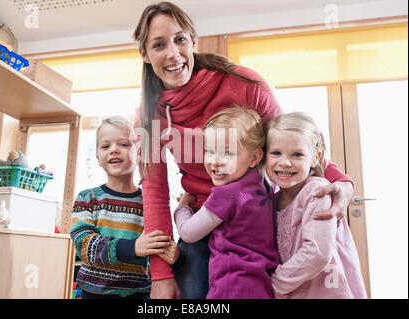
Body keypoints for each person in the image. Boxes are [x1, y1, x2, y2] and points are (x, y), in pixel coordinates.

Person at [133, 1, 354, 299]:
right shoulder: (148, 116)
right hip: (202, 220)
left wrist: (339, 180)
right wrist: (160, 275)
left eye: (180, 39)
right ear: (145, 54)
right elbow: (155, 193)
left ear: (193, 42)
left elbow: (288, 141)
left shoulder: (243, 83)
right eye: (159, 45)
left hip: (254, 223)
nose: (173, 53)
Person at [174, 107, 279, 298]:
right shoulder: (264, 184)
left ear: (255, 157)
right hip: (261, 285)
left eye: (228, 153)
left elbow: (189, 233)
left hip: (231, 286)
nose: (216, 161)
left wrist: (182, 207)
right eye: (210, 151)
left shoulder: (227, 195)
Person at [70, 116, 179, 299]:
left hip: (140, 293)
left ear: (139, 153)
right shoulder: (87, 198)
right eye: (105, 146)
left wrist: (177, 257)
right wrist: (133, 247)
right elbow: (84, 246)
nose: (113, 150)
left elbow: (161, 247)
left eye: (124, 144)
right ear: (98, 157)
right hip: (94, 294)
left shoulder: (151, 203)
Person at [266, 112, 367, 299]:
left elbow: (318, 253)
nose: (285, 162)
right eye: (276, 153)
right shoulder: (271, 200)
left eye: (297, 154)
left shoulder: (317, 191)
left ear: (315, 157)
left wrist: (274, 285)